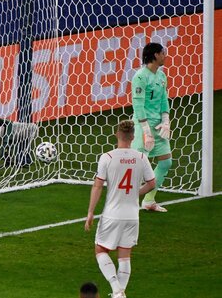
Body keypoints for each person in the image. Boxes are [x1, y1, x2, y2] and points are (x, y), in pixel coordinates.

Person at [85, 120, 156, 298]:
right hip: (132, 216)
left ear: (117, 134)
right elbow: (152, 183)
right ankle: (120, 294)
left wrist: (90, 212)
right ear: (133, 137)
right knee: (125, 256)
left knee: (100, 250)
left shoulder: (107, 157)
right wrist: (135, 194)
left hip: (112, 214)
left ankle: (117, 289)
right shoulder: (141, 158)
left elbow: (97, 186)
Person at [131, 42, 172, 212]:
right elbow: (138, 105)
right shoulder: (140, 76)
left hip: (158, 126)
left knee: (166, 162)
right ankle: (125, 200)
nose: (165, 55)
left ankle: (148, 200)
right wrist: (146, 132)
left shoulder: (161, 76)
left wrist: (166, 119)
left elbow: (163, 99)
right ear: (155, 55)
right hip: (143, 126)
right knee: (137, 166)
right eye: (162, 53)